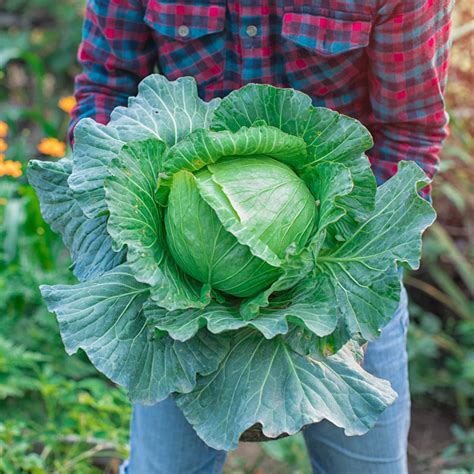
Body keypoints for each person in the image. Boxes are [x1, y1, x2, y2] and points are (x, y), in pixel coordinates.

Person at [69, 1, 453, 472]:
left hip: (342, 271)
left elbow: (410, 131)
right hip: (176, 286)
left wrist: (332, 273)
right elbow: (107, 86)